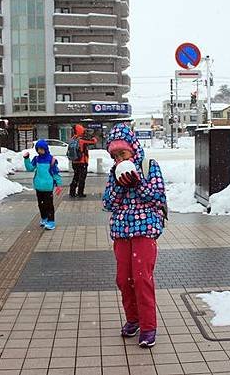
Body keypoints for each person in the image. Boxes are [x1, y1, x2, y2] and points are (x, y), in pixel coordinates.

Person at [103, 123, 167, 348]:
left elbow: (158, 197)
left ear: (132, 148)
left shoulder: (149, 166)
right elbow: (107, 203)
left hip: (145, 231)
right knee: (123, 279)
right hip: (121, 232)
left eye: (123, 152)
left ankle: (148, 326)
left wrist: (138, 183)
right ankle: (133, 319)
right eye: (115, 155)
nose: (119, 158)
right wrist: (120, 186)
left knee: (141, 278)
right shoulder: (114, 172)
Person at [23, 139, 62, 230]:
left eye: (41, 149)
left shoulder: (51, 160)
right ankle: (44, 218)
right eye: (38, 149)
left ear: (45, 149)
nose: (40, 151)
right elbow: (30, 168)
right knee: (41, 204)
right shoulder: (36, 159)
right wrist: (26, 159)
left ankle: (51, 221)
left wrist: (59, 185)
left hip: (48, 187)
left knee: (49, 205)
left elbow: (55, 173)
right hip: (38, 186)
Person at [69, 124, 97, 198]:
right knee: (82, 178)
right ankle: (80, 193)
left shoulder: (72, 139)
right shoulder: (82, 140)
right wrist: (91, 136)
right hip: (82, 162)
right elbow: (94, 141)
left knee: (75, 177)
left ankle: (72, 192)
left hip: (74, 161)